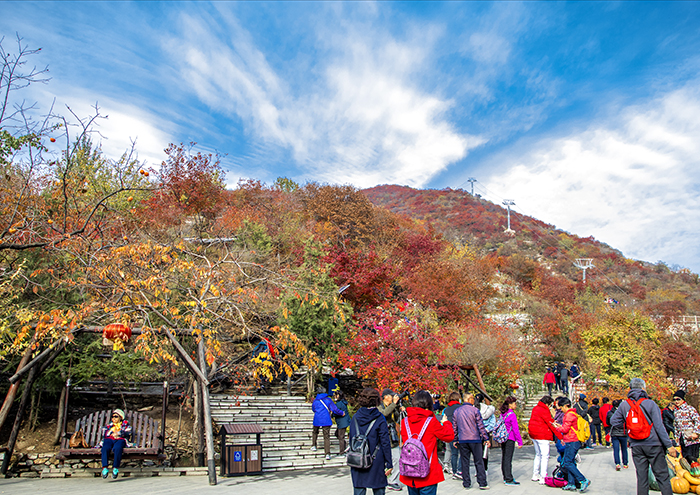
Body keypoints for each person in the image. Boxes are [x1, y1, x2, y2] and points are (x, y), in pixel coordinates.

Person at [610, 377, 677, 495]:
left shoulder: (624, 405)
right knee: (662, 477)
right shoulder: (651, 404)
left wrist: (630, 428)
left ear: (630, 389)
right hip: (654, 444)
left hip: (636, 445)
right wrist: (669, 445)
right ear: (643, 388)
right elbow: (659, 426)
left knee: (642, 478)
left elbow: (613, 421)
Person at [399, 390, 455, 495]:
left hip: (409, 471)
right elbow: (449, 436)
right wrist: (446, 423)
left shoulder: (404, 422)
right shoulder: (431, 422)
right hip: (428, 472)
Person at [349, 388, 393, 495]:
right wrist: (389, 462)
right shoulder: (379, 418)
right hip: (376, 459)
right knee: (379, 490)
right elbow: (385, 442)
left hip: (358, 458)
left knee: (359, 489)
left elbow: (351, 438)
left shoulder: (355, 417)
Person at [452, 393, 490, 490]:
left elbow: (455, 427)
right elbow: (480, 425)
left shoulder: (457, 411)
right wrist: (485, 438)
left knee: (465, 461)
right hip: (475, 438)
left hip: (463, 439)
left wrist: (455, 439)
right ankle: (482, 482)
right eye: (473, 398)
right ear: (469, 399)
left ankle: (466, 483)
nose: (474, 400)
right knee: (479, 461)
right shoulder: (475, 410)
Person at [554, 396, 591, 492]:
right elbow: (568, 427)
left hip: (572, 441)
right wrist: (560, 426)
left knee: (568, 462)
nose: (561, 410)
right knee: (569, 462)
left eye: (561, 407)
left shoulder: (569, 415)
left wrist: (556, 427)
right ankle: (571, 483)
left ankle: (583, 480)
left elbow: (565, 429)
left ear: (566, 406)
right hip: (571, 440)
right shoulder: (572, 413)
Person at [527, 395, 562, 484]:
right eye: (550, 405)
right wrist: (560, 437)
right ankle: (543, 477)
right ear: (547, 404)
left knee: (538, 454)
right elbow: (550, 423)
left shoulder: (535, 408)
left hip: (534, 434)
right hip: (542, 435)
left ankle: (535, 474)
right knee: (545, 456)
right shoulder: (544, 410)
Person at [379, 389, 404, 491]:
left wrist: (399, 408)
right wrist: (393, 404)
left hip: (392, 437)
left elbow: (398, 418)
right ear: (385, 396)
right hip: (382, 438)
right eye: (391, 396)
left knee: (397, 459)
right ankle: (381, 479)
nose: (393, 398)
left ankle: (393, 481)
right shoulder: (379, 407)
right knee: (382, 461)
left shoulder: (393, 407)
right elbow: (384, 414)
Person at [312, 385, 345, 460]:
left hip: (317, 418)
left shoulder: (315, 400)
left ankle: (314, 445)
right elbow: (334, 409)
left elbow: (313, 409)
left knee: (315, 432)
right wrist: (341, 413)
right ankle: (327, 453)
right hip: (326, 419)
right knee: (326, 436)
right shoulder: (328, 400)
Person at [99, 408, 132, 479]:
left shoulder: (125, 425)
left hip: (120, 439)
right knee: (105, 448)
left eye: (116, 416)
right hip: (110, 439)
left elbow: (128, 433)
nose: (114, 418)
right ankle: (105, 467)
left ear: (120, 417)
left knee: (117, 448)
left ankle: (115, 468)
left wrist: (119, 433)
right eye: (112, 416)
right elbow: (104, 434)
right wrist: (111, 433)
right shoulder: (109, 425)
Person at [499, 396, 523, 486]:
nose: (515, 405)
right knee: (508, 459)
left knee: (504, 458)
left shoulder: (503, 413)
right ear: (510, 404)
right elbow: (515, 429)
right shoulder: (512, 414)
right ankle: (509, 478)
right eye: (514, 403)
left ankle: (505, 477)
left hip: (503, 437)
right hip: (510, 438)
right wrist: (519, 442)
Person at [672, 390, 700, 463]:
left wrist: (696, 433)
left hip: (692, 439)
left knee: (693, 459)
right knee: (686, 460)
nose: (676, 401)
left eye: (678, 399)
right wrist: (676, 437)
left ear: (683, 399)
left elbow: (698, 421)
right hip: (683, 439)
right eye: (674, 400)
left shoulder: (690, 409)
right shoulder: (676, 411)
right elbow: (676, 425)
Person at [442, 392, 462, 477]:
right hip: (459, 432)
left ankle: (454, 471)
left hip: (449, 432)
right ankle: (460, 470)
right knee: (462, 453)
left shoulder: (446, 409)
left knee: (453, 453)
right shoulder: (460, 408)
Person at [476, 393, 496, 474]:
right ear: (483, 400)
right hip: (486, 432)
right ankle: (485, 468)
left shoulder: (474, 409)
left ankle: (478, 469)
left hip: (476, 433)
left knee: (477, 452)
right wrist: (487, 429)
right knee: (485, 452)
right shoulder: (489, 409)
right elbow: (493, 422)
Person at [607, 399, 628, 470]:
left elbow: (608, 422)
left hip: (614, 433)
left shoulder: (610, 413)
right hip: (623, 433)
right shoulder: (624, 413)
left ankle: (617, 463)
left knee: (616, 449)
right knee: (624, 449)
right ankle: (625, 463)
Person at [334, 389, 351, 456]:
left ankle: (342, 452)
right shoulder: (344, 402)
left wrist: (332, 415)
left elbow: (336, 412)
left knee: (341, 437)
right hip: (345, 421)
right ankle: (345, 446)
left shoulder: (339, 404)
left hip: (342, 422)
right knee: (337, 434)